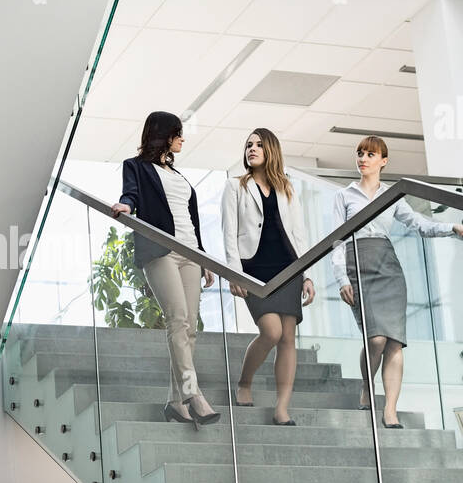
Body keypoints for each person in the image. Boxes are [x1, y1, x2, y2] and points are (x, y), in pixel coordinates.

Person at [331, 136, 463, 428]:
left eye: (370, 154)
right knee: (375, 338)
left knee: (394, 343)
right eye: (360, 153)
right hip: (357, 262)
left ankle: (390, 410)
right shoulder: (343, 195)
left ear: (383, 161)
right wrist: (341, 278)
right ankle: (366, 385)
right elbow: (336, 240)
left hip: (388, 267)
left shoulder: (392, 196)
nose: (363, 158)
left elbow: (420, 225)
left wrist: (452, 227)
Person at [112, 112, 221, 428]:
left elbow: (190, 217)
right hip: (161, 251)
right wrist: (126, 206)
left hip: (190, 253)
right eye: (179, 133)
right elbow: (131, 193)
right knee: (178, 319)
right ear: (164, 135)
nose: (183, 139)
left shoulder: (178, 174)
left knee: (191, 328)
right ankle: (192, 393)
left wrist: (202, 257)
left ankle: (175, 402)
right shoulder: (136, 167)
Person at [221, 129, 315, 425]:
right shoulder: (234, 186)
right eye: (248, 144)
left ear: (271, 150)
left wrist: (307, 275)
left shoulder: (287, 188)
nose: (252, 149)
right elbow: (228, 234)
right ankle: (244, 382)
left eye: (259, 144)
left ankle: (282, 408)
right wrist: (233, 273)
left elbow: (299, 234)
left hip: (288, 268)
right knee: (271, 332)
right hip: (254, 270)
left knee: (288, 337)